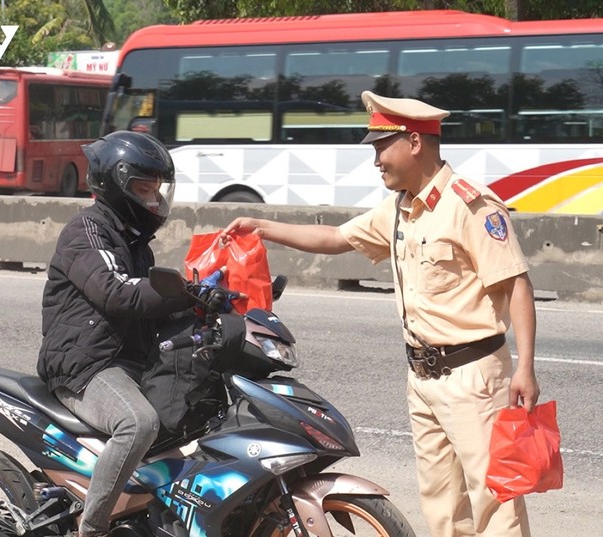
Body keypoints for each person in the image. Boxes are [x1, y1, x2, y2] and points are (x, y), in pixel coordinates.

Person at [221, 91, 539, 537]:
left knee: (495, 503)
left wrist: (525, 367)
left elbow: (516, 283)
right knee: (443, 507)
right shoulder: (400, 207)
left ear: (413, 142)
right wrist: (263, 227)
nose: (375, 161)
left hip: (475, 378)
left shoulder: (470, 206)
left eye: (379, 147)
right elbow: (335, 238)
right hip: (422, 378)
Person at [37, 130, 193, 537]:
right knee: (138, 423)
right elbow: (119, 293)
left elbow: (151, 305)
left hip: (124, 359)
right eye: (144, 189)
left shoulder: (136, 241)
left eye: (157, 189)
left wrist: (205, 303)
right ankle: (92, 527)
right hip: (85, 365)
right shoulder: (86, 231)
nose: (153, 199)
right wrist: (183, 292)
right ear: (117, 184)